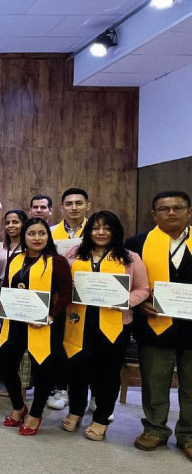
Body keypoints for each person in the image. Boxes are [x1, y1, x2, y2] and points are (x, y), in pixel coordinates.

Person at [62, 211, 149, 440]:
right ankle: (76, 411)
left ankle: (101, 418)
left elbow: (143, 289)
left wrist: (124, 302)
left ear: (115, 231)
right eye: (95, 227)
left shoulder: (130, 258)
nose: (101, 232)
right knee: (76, 371)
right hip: (78, 322)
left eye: (107, 227)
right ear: (89, 231)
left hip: (115, 324)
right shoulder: (75, 253)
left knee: (107, 374)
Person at [125, 190, 192, 460]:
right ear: (154, 214)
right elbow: (124, 281)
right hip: (153, 323)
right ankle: (155, 429)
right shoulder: (136, 243)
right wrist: (139, 302)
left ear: (189, 211)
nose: (171, 213)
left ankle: (189, 433)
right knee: (154, 380)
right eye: (164, 209)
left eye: (178, 208)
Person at [0, 217, 72, 436]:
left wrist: (51, 316)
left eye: (41, 233)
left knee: (43, 371)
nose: (37, 238)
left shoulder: (56, 261)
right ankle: (19, 406)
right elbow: (7, 285)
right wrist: (2, 301)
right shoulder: (15, 258)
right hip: (14, 323)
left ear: (48, 236)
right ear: (24, 236)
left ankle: (35, 414)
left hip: (44, 325)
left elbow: (67, 293)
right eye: (31, 233)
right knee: (6, 367)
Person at [48, 188, 91, 410]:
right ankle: (60, 389)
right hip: (58, 298)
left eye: (79, 203)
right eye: (69, 203)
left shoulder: (98, 230)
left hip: (89, 299)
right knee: (58, 344)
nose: (74, 207)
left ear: (88, 206)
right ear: (62, 207)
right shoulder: (51, 232)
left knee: (90, 346)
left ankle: (95, 395)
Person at [0, 209, 30, 400]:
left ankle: (23, 388)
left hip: (23, 299)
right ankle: (12, 385)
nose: (11, 226)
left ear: (24, 223)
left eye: (15, 222)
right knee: (7, 343)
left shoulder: (30, 245)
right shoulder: (1, 246)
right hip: (3, 298)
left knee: (23, 346)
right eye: (8, 222)